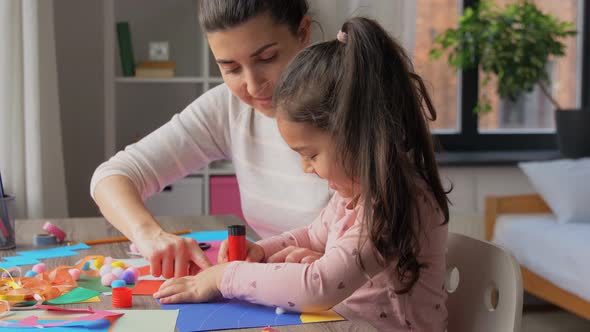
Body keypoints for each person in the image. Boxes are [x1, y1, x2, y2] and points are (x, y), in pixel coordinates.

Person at [154, 17, 451, 331]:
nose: (306, 168)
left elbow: (317, 286)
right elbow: (313, 235)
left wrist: (225, 277)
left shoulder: (392, 204)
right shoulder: (353, 194)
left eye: (311, 154)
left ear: (357, 135)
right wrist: (263, 251)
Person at [90, 0, 331, 279]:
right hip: (280, 291)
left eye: (266, 58)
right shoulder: (230, 108)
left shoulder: (356, 108)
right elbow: (112, 175)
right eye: (231, 69)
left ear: (302, 32)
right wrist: (149, 235)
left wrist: (333, 264)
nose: (253, 86)